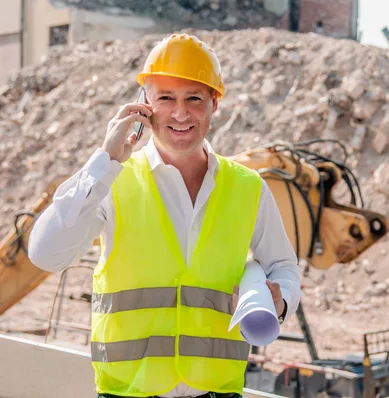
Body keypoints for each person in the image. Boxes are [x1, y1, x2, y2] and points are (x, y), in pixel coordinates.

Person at [28, 33, 301, 398]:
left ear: (214, 103)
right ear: (144, 104)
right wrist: (104, 161)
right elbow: (46, 255)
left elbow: (283, 266)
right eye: (166, 98)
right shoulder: (113, 181)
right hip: (127, 392)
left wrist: (280, 301)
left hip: (218, 391)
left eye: (194, 98)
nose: (180, 113)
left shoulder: (248, 187)